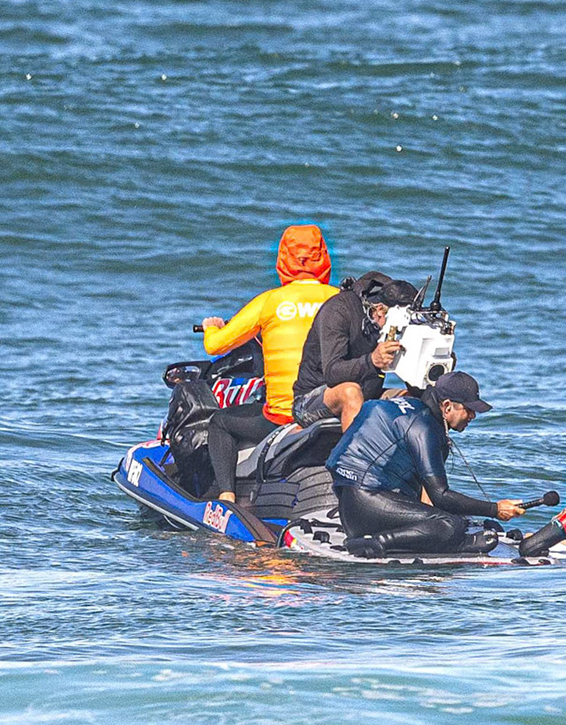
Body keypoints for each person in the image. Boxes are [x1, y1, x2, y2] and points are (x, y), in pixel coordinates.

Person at [200, 225, 338, 505]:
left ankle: (227, 497)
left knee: (219, 423)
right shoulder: (340, 299)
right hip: (332, 408)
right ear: (323, 257)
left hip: (283, 416)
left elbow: (215, 347)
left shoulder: (270, 302)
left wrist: (211, 328)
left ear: (283, 259)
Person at [325, 371, 525, 556]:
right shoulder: (424, 427)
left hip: (349, 504)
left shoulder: (402, 406)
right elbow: (441, 496)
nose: (473, 416)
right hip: (367, 508)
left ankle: (378, 537)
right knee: (450, 525)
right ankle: (378, 542)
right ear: (447, 406)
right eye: (469, 409)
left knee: (449, 518)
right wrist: (494, 509)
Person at [291, 271, 417, 429]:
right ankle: (355, 445)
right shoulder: (338, 310)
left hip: (369, 394)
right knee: (351, 391)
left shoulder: (389, 319)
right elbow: (332, 373)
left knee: (411, 402)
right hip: (312, 399)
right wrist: (372, 361)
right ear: (379, 311)